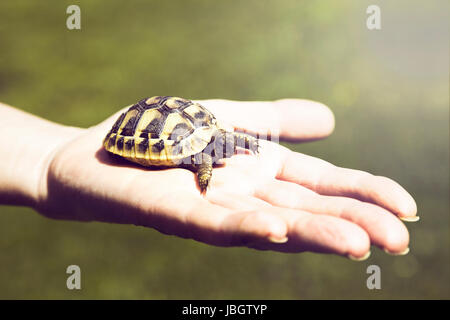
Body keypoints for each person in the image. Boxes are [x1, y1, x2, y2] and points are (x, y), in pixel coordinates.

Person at [0, 98, 418, 260]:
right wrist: (47, 161)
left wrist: (46, 159)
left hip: (174, 123)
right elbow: (206, 155)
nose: (223, 150)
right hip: (142, 131)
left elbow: (226, 138)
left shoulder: (215, 135)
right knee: (204, 156)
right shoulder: (202, 155)